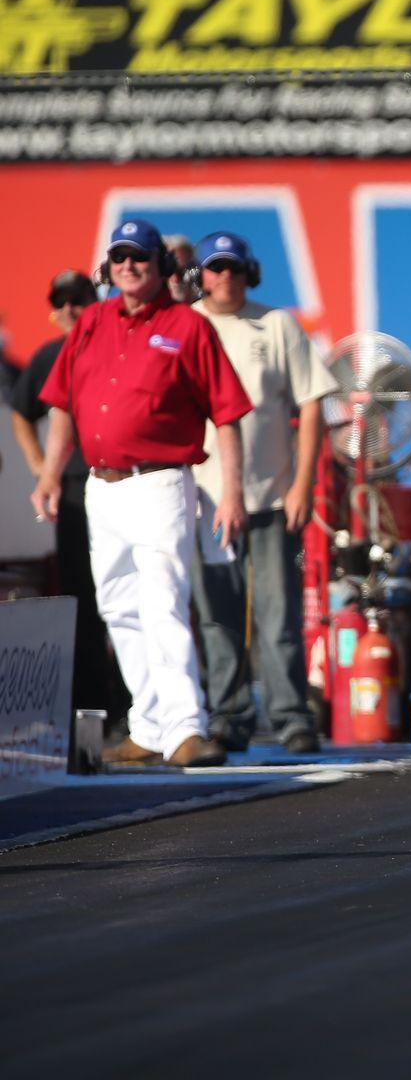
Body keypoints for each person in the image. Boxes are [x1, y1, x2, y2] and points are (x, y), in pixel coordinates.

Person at [31, 218, 252, 767]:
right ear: (108, 268)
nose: (129, 266)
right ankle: (151, 726)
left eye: (141, 258)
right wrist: (51, 474)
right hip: (102, 487)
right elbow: (60, 402)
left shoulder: (188, 326)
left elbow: (227, 415)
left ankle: (186, 728)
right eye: (121, 257)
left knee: (162, 601)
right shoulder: (92, 323)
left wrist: (232, 493)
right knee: (119, 607)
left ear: (162, 268)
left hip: (159, 483)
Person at [188, 232, 337, 754]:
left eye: (232, 267)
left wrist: (303, 483)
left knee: (278, 616)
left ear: (249, 272)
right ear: (197, 276)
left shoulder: (276, 324)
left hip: (273, 497)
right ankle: (228, 714)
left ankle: (291, 715)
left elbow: (313, 402)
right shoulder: (188, 327)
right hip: (207, 500)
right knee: (216, 616)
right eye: (213, 268)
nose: (223, 277)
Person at [10, 270, 127, 743]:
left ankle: (131, 709)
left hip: (123, 482)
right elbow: (23, 410)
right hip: (77, 489)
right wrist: (43, 468)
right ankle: (93, 719)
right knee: (83, 600)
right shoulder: (50, 355)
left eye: (79, 299)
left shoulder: (113, 344)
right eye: (63, 303)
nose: (71, 310)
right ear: (52, 312)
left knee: (128, 599)